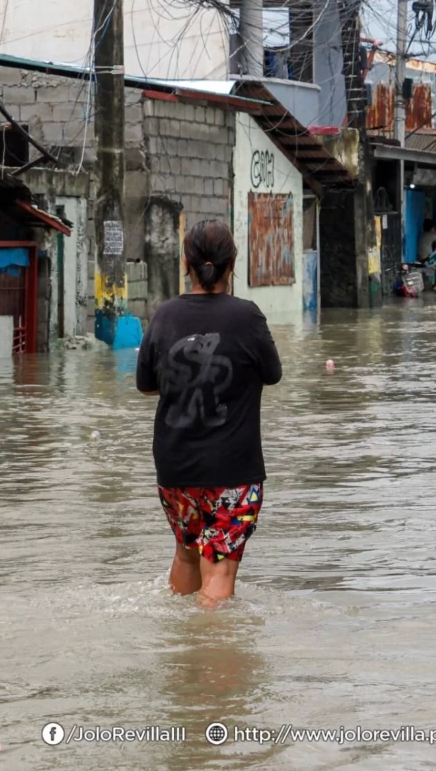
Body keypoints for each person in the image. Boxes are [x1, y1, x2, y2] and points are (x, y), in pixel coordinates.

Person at [135, 219, 282, 608]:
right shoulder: (247, 317)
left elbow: (148, 385)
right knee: (218, 567)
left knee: (186, 551)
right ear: (232, 264)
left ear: (186, 263)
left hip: (175, 470)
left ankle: (180, 658)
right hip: (232, 470)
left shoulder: (164, 316)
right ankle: (211, 661)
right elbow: (272, 374)